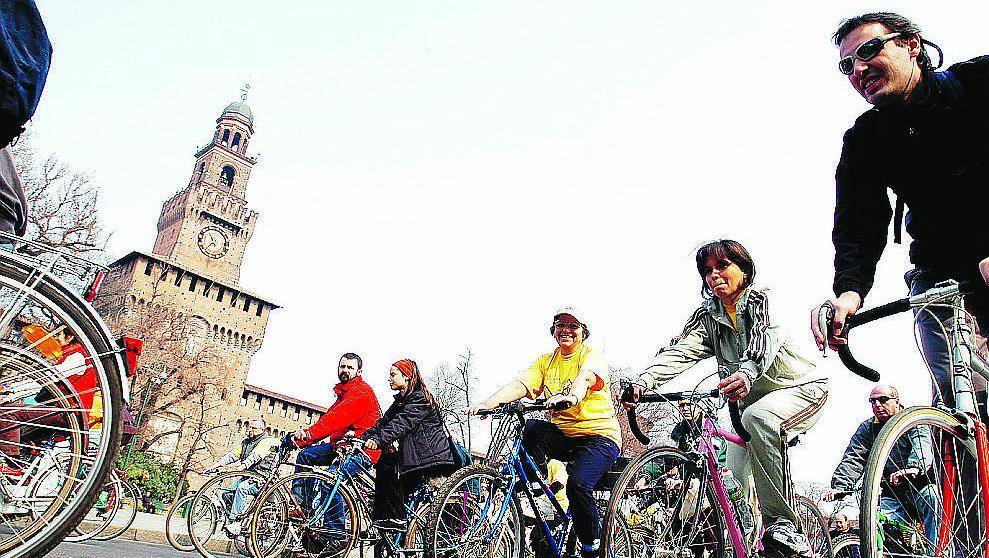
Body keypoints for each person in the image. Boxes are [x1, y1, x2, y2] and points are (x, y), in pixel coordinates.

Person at [810, 12, 989, 411]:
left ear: (912, 45)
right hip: (941, 268)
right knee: (958, 393)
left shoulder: (980, 83)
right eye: (847, 65)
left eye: (869, 50)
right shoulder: (865, 140)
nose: (858, 69)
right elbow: (858, 222)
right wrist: (849, 292)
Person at [625, 240, 829, 558]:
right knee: (732, 482)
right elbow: (682, 349)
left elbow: (764, 338)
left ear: (744, 270)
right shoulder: (709, 316)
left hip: (800, 390)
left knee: (759, 418)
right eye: (707, 271)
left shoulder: (761, 300)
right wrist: (644, 381)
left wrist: (746, 373)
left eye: (723, 266)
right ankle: (746, 546)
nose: (714, 275)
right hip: (748, 408)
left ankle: (785, 527)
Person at [468, 306, 621, 558]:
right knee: (530, 428)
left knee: (578, 485)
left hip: (599, 438)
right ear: (553, 330)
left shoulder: (590, 355)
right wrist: (490, 403)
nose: (566, 330)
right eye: (561, 325)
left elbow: (586, 377)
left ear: (583, 332)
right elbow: (521, 384)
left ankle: (592, 546)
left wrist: (572, 396)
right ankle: (533, 487)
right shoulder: (546, 362)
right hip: (566, 437)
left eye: (573, 326)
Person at [823, 385, 938, 549]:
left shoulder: (912, 420)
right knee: (877, 523)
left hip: (920, 485)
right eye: (872, 401)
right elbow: (854, 457)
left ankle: (939, 552)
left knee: (933, 500)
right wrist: (841, 486)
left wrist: (914, 467)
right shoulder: (868, 428)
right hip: (893, 492)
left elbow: (922, 441)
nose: (877, 404)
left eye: (883, 399)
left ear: (897, 402)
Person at [290, 352, 382, 529]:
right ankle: (304, 507)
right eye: (342, 366)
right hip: (341, 446)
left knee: (329, 480)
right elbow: (327, 420)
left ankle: (336, 533)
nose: (345, 370)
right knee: (305, 456)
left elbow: (336, 420)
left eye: (350, 367)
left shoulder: (361, 392)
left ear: (359, 371)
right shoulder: (344, 393)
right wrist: (300, 442)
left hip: (363, 449)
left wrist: (308, 435)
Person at [361, 358, 454, 529]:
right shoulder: (401, 401)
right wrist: (361, 438)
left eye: (393, 375)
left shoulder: (420, 398)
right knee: (386, 462)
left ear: (407, 376)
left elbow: (401, 424)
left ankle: (396, 518)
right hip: (416, 457)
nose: (389, 379)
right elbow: (383, 423)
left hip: (430, 458)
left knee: (387, 464)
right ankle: (385, 520)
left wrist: (378, 440)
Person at [0, 326, 100, 474]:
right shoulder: (72, 355)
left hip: (68, 414)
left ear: (70, 337)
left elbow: (48, 379)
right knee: (14, 429)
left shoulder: (77, 356)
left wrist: (12, 389)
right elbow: (43, 387)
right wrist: (13, 392)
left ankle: (13, 467)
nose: (57, 339)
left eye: (59, 335)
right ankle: (20, 474)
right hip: (64, 412)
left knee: (7, 412)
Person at [203, 416, 281, 537]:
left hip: (263, 480)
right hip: (248, 476)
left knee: (242, 488)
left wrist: (242, 466)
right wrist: (215, 466)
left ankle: (236, 522)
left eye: (254, 428)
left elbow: (255, 456)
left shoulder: (267, 441)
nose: (250, 430)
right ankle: (238, 516)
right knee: (227, 494)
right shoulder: (246, 442)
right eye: (250, 427)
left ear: (262, 430)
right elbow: (232, 456)